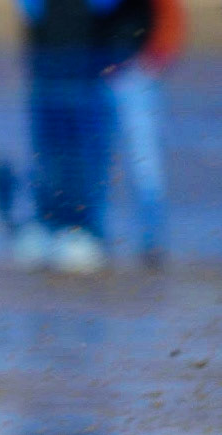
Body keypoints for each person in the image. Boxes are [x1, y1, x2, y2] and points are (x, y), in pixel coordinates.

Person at [11, 0, 122, 273]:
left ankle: (83, 229)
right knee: (48, 153)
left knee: (83, 155)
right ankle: (49, 224)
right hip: (46, 64)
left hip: (87, 66)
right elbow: (29, 10)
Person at [103, 0, 181, 264]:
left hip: (134, 73)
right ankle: (95, 236)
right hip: (94, 72)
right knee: (94, 160)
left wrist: (152, 61)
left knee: (145, 162)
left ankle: (152, 242)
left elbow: (170, 12)